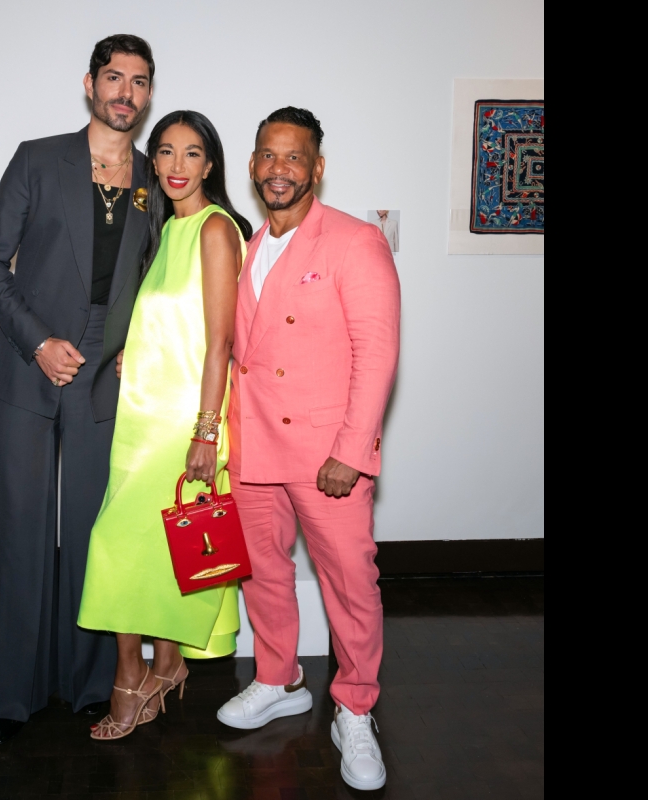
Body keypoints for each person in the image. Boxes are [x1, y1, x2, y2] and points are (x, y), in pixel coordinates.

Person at [0, 34, 155, 745]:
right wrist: (37, 340)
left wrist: (139, 352)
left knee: (90, 532)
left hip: (105, 373)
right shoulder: (37, 157)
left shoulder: (152, 177)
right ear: (89, 84)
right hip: (30, 359)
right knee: (19, 531)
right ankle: (9, 697)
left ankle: (88, 684)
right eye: (115, 77)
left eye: (140, 82)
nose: (126, 93)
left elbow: (155, 280)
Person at [216, 107, 400, 791]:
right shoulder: (243, 244)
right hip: (254, 444)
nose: (278, 169)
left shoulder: (354, 242)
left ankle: (355, 706)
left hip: (329, 457)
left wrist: (351, 450)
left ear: (316, 168)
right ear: (253, 163)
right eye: (268, 155)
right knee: (262, 572)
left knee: (350, 583)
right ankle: (278, 677)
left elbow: (376, 354)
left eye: (294, 157)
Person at [78, 110, 251, 741]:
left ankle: (132, 678)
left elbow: (220, 343)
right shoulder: (160, 232)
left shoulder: (214, 230)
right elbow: (166, 320)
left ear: (211, 165)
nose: (178, 166)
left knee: (123, 546)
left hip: (181, 423)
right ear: (154, 163)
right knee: (155, 554)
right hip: (141, 418)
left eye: (193, 154)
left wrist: (206, 432)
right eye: (167, 153)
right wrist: (136, 347)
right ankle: (166, 667)